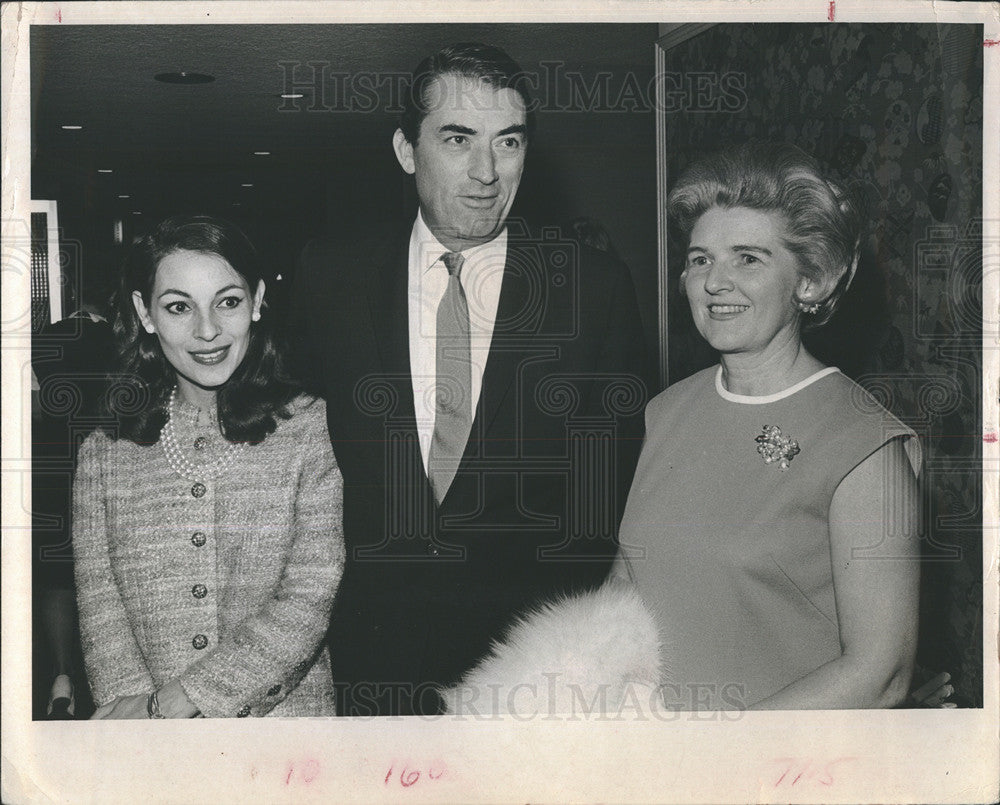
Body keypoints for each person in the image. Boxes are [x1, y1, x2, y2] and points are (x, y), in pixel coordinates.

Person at [290, 42, 649, 716]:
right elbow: (295, 461)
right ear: (406, 149)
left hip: (532, 671)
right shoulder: (330, 276)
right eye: (458, 139)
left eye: (507, 142)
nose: (487, 171)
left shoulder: (593, 290)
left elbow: (612, 494)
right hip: (372, 662)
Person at [617, 142, 921, 710]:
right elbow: (625, 587)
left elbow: (881, 673)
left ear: (812, 281)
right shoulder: (666, 412)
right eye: (700, 258)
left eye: (748, 259)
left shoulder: (863, 445)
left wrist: (721, 764)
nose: (714, 281)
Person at [73, 214, 345, 718]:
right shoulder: (104, 450)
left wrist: (182, 700)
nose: (207, 331)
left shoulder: (309, 428)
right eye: (179, 307)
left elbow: (308, 596)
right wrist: (136, 717)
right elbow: (100, 608)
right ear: (145, 313)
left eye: (228, 302)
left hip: (289, 741)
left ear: (258, 301)